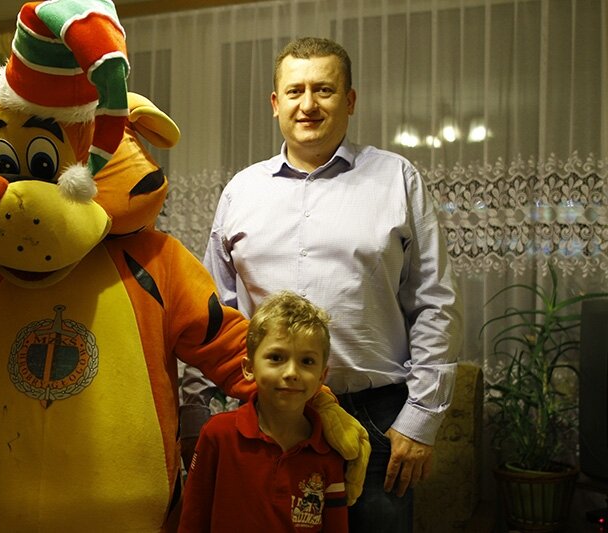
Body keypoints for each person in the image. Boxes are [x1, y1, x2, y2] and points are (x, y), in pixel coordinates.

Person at [180, 36, 462, 532]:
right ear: (275, 103)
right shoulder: (242, 191)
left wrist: (421, 420)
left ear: (350, 100)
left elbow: (434, 301)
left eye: (324, 90)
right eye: (295, 91)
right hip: (267, 421)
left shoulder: (397, 179)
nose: (308, 104)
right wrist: (195, 411)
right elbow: (213, 311)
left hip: (377, 422)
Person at [179, 291, 348, 532]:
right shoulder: (218, 435)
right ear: (249, 368)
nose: (291, 372)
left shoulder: (329, 450)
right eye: (276, 357)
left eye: (307, 361)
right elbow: (193, 518)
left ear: (322, 376)